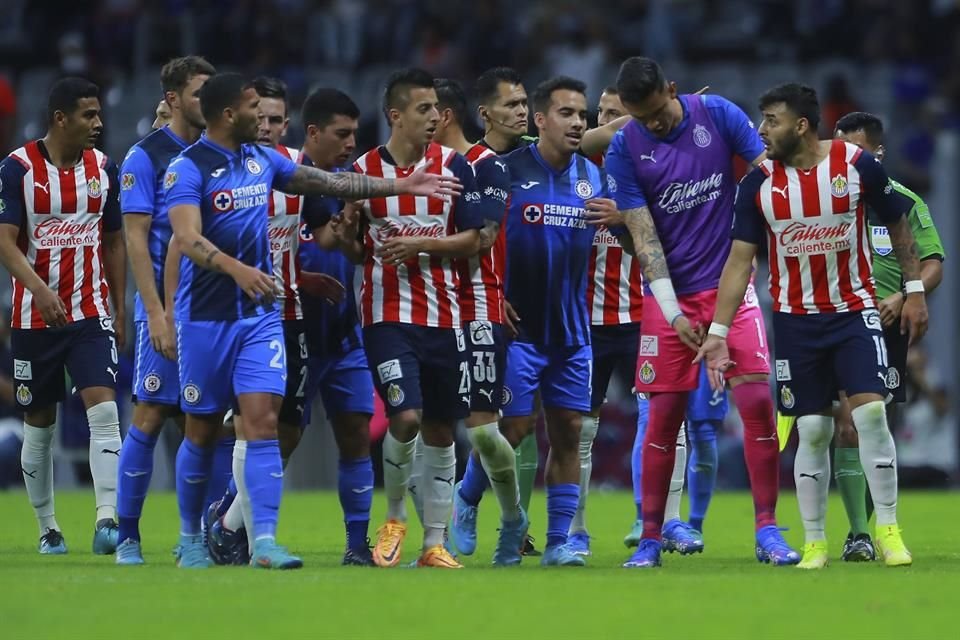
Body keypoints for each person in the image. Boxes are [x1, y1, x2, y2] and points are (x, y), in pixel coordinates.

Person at [165, 72, 461, 569]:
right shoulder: (187, 168)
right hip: (206, 318)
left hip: (261, 319)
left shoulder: (262, 162)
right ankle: (191, 539)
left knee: (263, 426)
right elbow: (186, 238)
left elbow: (329, 181)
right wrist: (236, 269)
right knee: (198, 430)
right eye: (252, 108)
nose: (261, 118)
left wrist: (400, 183)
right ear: (226, 115)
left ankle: (263, 542)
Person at [696, 83, 927, 569]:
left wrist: (914, 291)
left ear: (800, 125)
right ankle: (817, 542)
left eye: (771, 120)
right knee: (814, 430)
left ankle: (888, 529)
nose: (761, 130)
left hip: (853, 311)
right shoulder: (757, 183)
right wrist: (717, 332)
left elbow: (900, 224)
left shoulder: (855, 164)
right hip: (796, 320)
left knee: (869, 415)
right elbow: (740, 262)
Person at [603, 56, 797, 568]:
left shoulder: (717, 115)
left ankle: (767, 532)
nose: (654, 125)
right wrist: (672, 312)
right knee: (662, 420)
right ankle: (649, 538)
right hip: (670, 300)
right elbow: (643, 237)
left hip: (731, 290)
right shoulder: (624, 147)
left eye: (658, 112)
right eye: (640, 117)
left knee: (757, 407)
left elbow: (768, 177)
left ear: (672, 88)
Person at [336, 68, 482, 569]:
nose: (435, 118)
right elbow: (355, 252)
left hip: (446, 316)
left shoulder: (455, 167)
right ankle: (395, 516)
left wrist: (419, 243)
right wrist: (350, 232)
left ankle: (434, 543)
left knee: (442, 429)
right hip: (387, 315)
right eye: (423, 109)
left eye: (437, 109)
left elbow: (475, 240)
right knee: (407, 417)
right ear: (396, 116)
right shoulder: (364, 171)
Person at [0, 77, 126, 555]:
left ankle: (106, 520)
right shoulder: (16, 169)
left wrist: (118, 302)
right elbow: (4, 242)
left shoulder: (104, 168)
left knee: (106, 410)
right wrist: (39, 291)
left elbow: (113, 241)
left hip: (89, 313)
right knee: (39, 424)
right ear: (60, 118)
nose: (98, 123)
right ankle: (48, 527)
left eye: (98, 114)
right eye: (88, 115)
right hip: (35, 319)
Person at [495, 75, 614, 567]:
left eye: (582, 116)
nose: (577, 122)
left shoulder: (595, 177)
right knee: (512, 431)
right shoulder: (503, 171)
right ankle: (486, 509)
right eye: (566, 113)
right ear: (540, 120)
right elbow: (480, 240)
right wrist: (492, 294)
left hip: (572, 332)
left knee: (568, 432)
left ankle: (559, 541)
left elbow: (625, 238)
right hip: (519, 330)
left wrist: (623, 220)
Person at [419, 78, 526, 566]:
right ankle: (426, 535)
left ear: (442, 116)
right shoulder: (416, 172)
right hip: (424, 307)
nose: (419, 122)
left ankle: (512, 519)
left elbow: (483, 240)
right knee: (429, 425)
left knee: (484, 430)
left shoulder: (486, 168)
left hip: (479, 302)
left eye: (425, 112)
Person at [830, 111, 944, 562]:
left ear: (876, 153)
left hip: (888, 324)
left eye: (854, 152)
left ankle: (878, 522)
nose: (844, 160)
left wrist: (904, 295)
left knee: (881, 426)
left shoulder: (904, 202)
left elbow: (933, 260)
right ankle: (858, 533)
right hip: (838, 321)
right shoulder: (827, 197)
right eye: (838, 150)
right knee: (845, 423)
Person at [115, 55, 215, 565]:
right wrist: (155, 311)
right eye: (200, 93)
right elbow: (135, 240)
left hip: (212, 311)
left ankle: (198, 537)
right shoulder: (144, 157)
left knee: (208, 422)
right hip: (162, 307)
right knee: (151, 413)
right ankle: (126, 536)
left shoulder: (221, 154)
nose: (210, 102)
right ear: (173, 99)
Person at [297, 87, 379, 566]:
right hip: (292, 331)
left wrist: (349, 236)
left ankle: (355, 543)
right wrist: (302, 278)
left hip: (344, 332)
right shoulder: (281, 179)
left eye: (355, 133)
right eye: (341, 133)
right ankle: (232, 522)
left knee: (354, 430)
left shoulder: (351, 182)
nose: (351, 143)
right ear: (313, 133)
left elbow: (351, 251)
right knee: (277, 437)